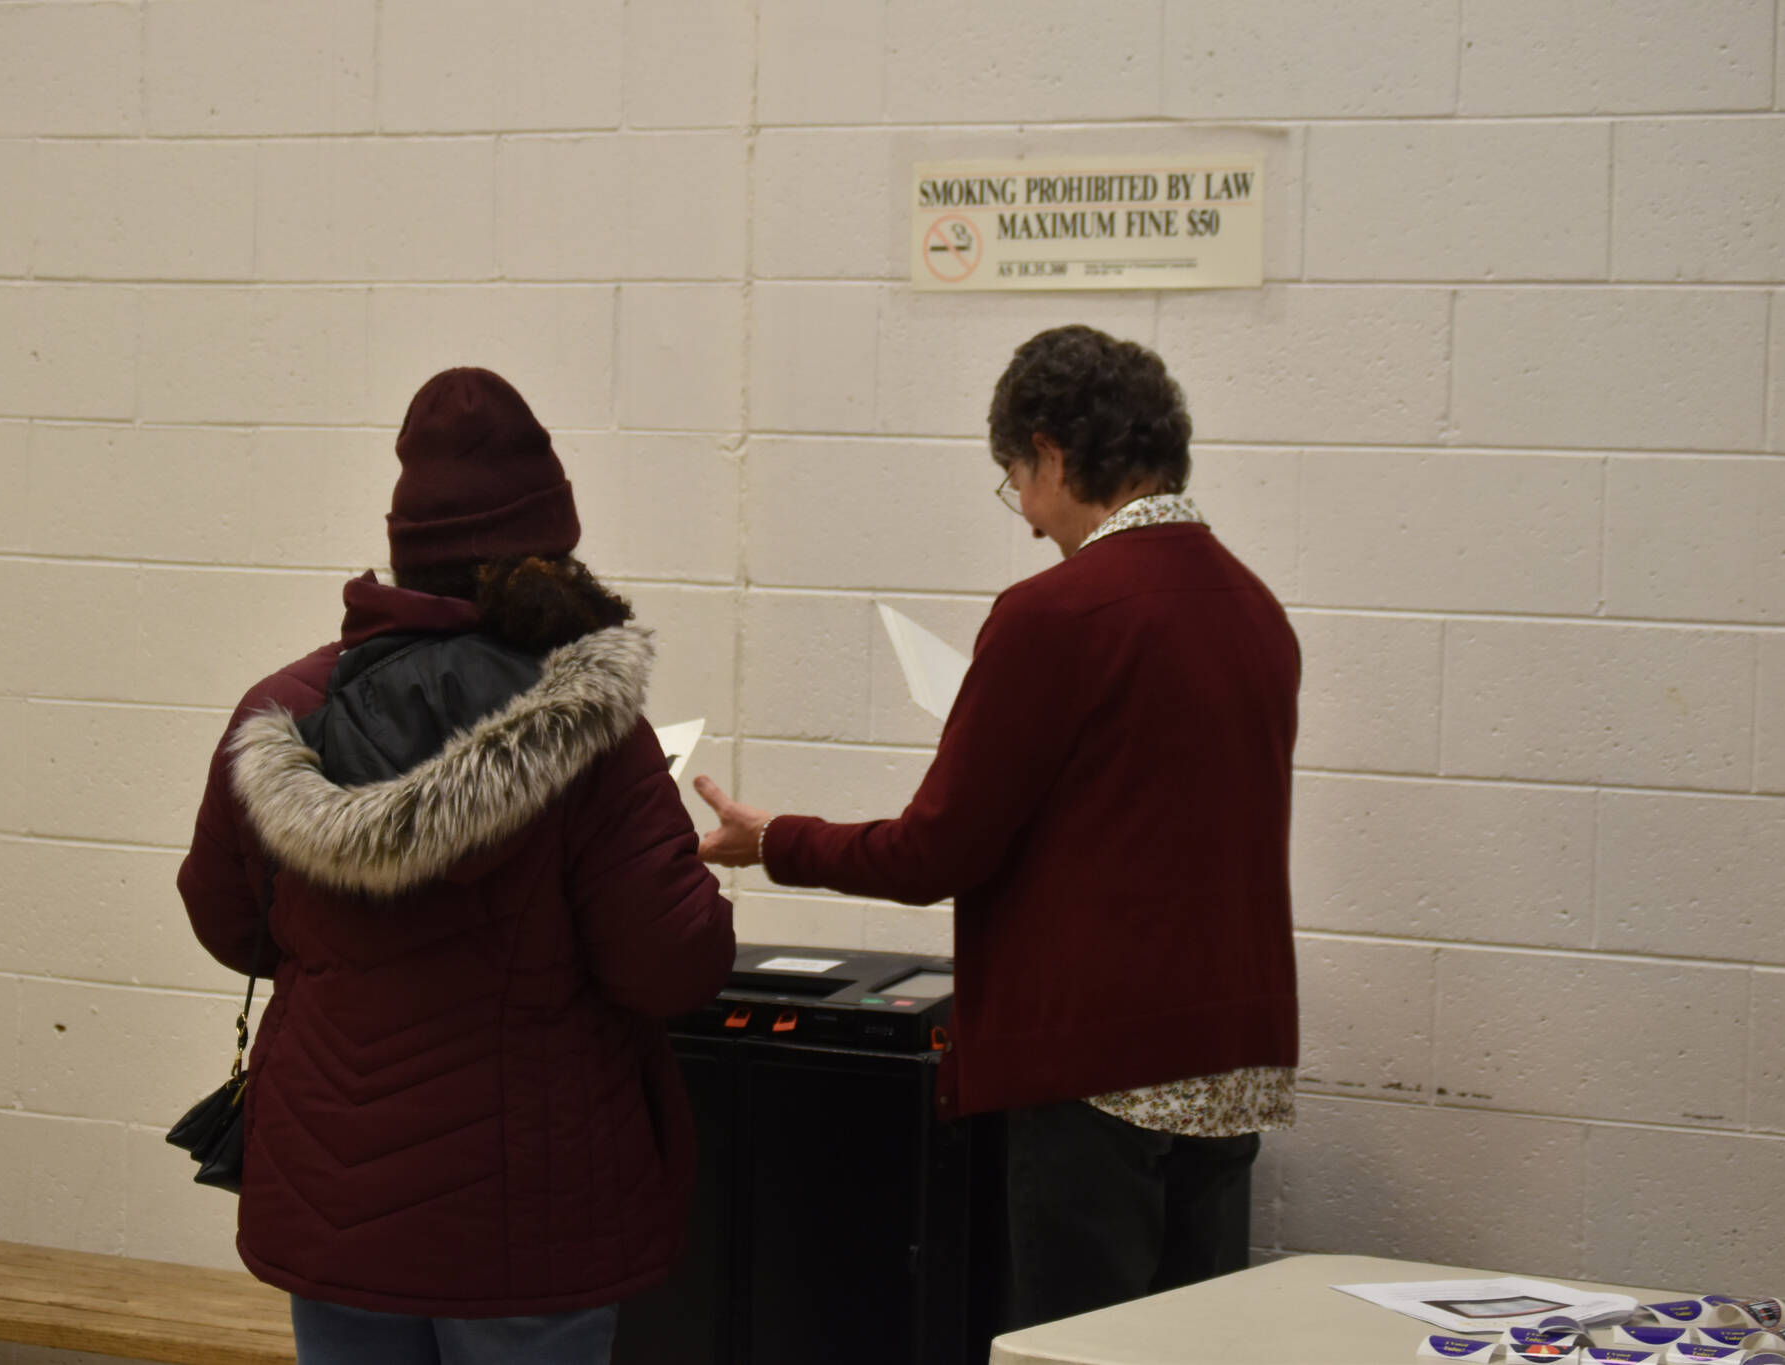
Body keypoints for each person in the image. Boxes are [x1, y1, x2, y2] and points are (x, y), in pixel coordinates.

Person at [696, 324, 1300, 1330]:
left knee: (1073, 1351)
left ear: (1052, 453)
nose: (1023, 517)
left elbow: (935, 852)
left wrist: (774, 840)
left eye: (1015, 479)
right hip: (1230, 1067)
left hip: (1092, 1067)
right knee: (1193, 1350)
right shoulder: (1252, 609)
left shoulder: (1056, 615)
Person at [178, 367, 734, 1365]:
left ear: (405, 547)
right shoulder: (594, 730)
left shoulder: (282, 711)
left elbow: (227, 923)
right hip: (529, 1206)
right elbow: (669, 964)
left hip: (331, 1194)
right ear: (544, 548)